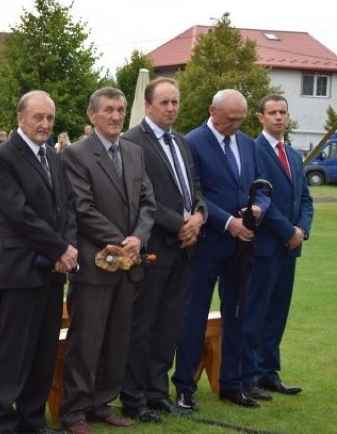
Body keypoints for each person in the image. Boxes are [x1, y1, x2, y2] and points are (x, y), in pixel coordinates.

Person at [59, 87, 155, 434]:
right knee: (86, 342)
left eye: (120, 109)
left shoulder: (134, 152)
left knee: (117, 341)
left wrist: (138, 238)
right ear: (92, 115)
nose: (116, 116)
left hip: (129, 265)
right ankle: (74, 413)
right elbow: (82, 209)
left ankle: (101, 404)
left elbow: (148, 202)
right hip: (95, 266)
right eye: (109, 110)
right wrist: (120, 240)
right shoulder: (76, 154)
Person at [0, 90, 78, 434]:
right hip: (21, 271)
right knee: (14, 353)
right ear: (20, 118)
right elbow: (18, 214)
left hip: (52, 273)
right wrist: (59, 249)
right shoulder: (5, 156)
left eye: (50, 118)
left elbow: (65, 208)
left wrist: (65, 248)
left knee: (42, 353)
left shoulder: (53, 156)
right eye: (38, 117)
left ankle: (31, 421)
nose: (45, 124)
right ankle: (1, 423)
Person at [173, 89, 270, 410]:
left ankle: (232, 382)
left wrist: (258, 209)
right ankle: (185, 386)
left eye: (241, 120)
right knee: (193, 316)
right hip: (206, 247)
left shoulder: (245, 142)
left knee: (238, 315)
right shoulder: (193, 142)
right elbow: (194, 193)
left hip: (241, 248)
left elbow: (260, 184)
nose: (236, 126)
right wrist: (229, 221)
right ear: (213, 110)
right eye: (231, 120)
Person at [119, 77, 206, 422]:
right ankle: (134, 395)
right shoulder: (132, 142)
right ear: (149, 104)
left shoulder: (182, 142)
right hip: (153, 247)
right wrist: (178, 225)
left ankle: (157, 391)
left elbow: (195, 188)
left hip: (184, 250)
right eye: (164, 103)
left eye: (175, 102)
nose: (171, 108)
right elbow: (143, 196)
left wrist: (199, 216)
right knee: (143, 326)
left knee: (169, 325)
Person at [240, 94, 313, 398]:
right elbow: (261, 200)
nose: (279, 117)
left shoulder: (294, 155)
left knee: (278, 313)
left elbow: (305, 198)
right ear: (260, 117)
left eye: (283, 112)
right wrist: (286, 230)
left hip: (289, 247)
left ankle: (269, 371)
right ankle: (249, 374)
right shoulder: (254, 152)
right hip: (266, 245)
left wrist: (302, 230)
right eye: (272, 112)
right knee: (255, 311)